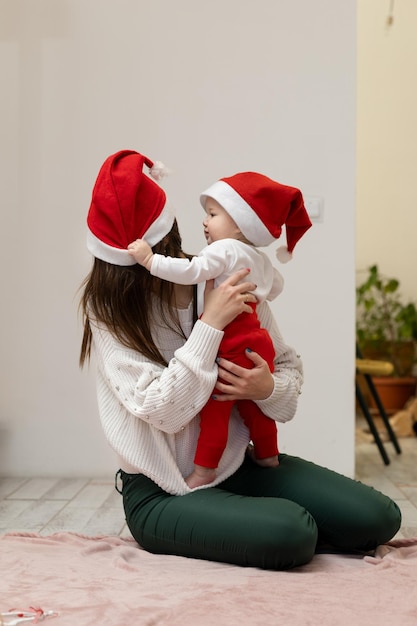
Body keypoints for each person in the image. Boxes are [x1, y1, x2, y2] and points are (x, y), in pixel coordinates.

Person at [79, 148, 401, 571]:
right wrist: (209, 325)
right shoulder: (107, 312)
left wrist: (266, 388)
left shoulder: (221, 274)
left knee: (378, 518)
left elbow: (286, 372)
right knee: (291, 533)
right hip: (161, 492)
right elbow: (163, 412)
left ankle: (243, 523)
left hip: (237, 467)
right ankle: (248, 526)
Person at [127, 171, 312, 488]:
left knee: (216, 411)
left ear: (240, 223)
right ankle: (268, 455)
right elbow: (275, 287)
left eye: (212, 214)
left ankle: (204, 470)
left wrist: (150, 261)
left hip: (231, 347)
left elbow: (191, 270)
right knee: (254, 409)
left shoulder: (223, 251)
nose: (204, 222)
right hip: (257, 345)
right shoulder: (258, 259)